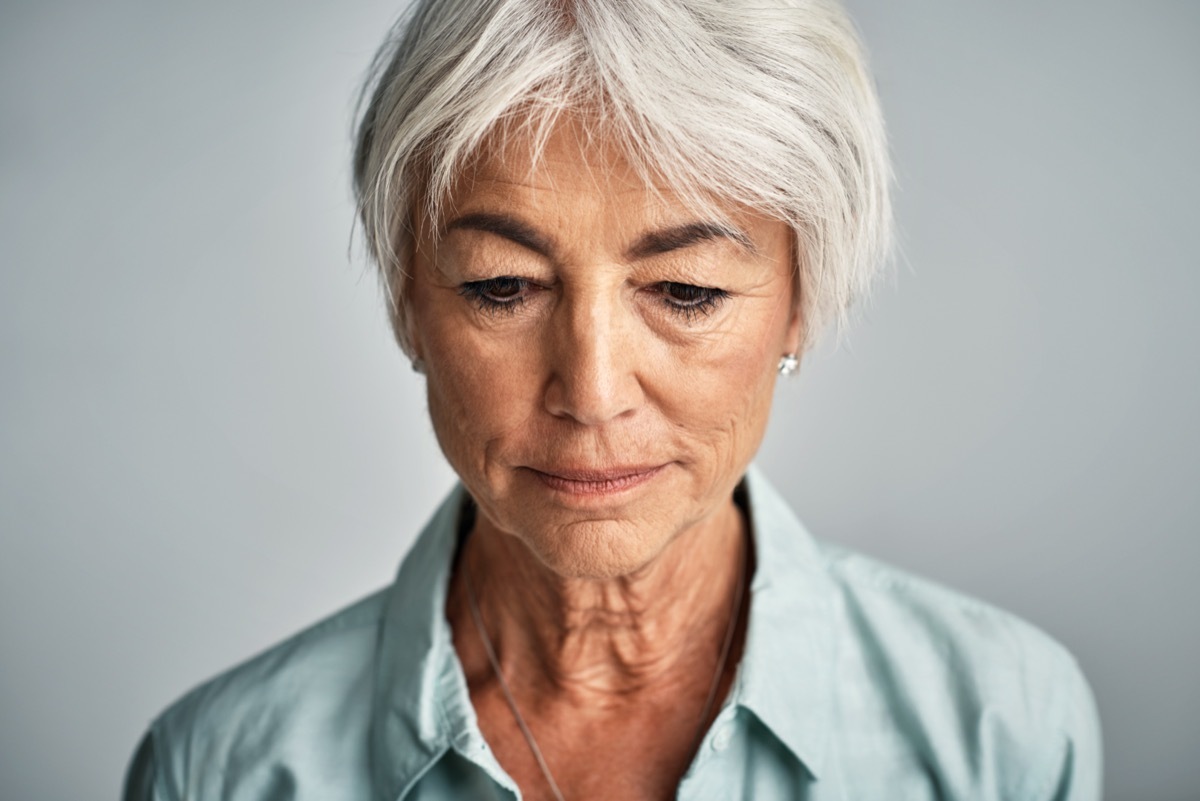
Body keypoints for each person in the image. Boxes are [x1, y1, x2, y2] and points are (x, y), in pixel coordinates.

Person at [123, 1, 1102, 799]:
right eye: (502, 286)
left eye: (687, 292)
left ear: (802, 304)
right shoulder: (224, 769)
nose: (590, 393)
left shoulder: (1000, 726)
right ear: (405, 302)